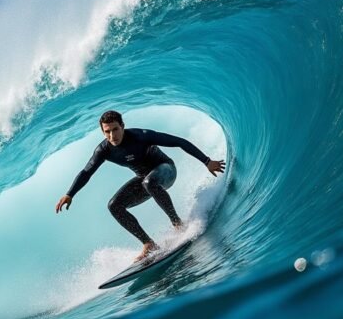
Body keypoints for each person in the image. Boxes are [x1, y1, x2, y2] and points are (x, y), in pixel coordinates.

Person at [55, 110, 225, 262]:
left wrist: (207, 161)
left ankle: (177, 224)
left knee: (148, 182)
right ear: (102, 131)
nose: (112, 136)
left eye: (115, 129)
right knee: (114, 206)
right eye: (107, 132)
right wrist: (70, 194)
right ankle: (148, 243)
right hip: (145, 180)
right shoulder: (103, 150)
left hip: (166, 171)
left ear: (122, 126)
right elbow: (86, 172)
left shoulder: (141, 136)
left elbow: (179, 142)